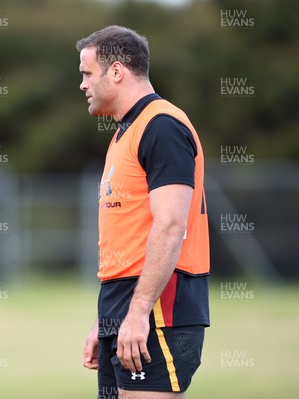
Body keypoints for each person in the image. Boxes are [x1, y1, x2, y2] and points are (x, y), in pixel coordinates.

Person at [76, 26, 210, 399]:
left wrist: (136, 316)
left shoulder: (161, 126)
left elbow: (169, 227)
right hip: (126, 308)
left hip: (158, 311)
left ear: (116, 72)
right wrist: (103, 323)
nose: (82, 85)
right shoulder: (124, 133)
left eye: (87, 74)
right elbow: (130, 241)